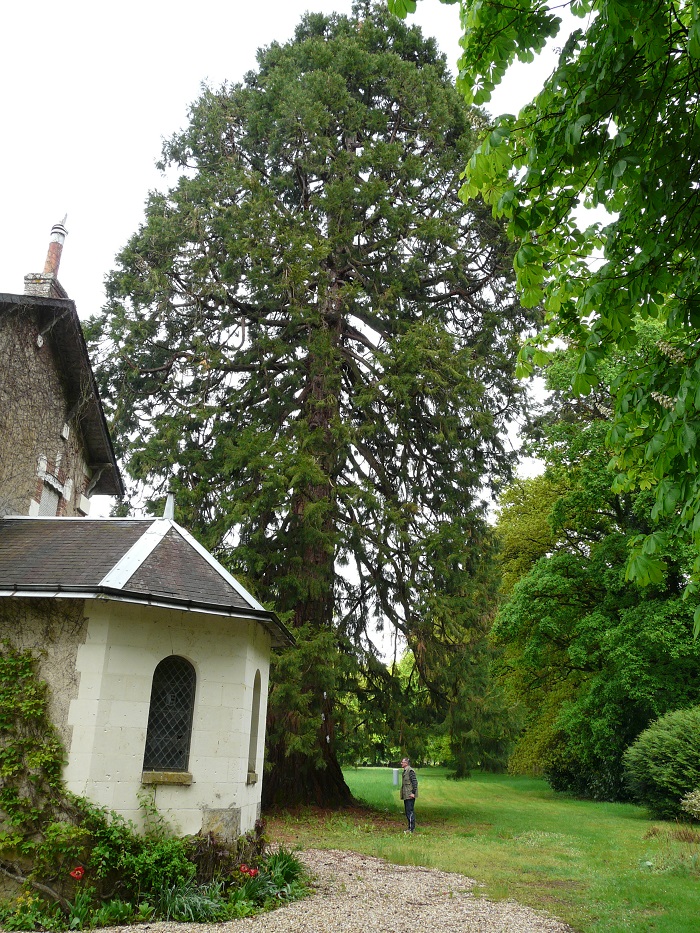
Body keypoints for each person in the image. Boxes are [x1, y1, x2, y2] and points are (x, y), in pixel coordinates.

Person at [400, 756, 418, 833]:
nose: (401, 763)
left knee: (410, 812)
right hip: (406, 795)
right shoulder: (405, 771)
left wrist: (413, 793)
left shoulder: (410, 771)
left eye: (402, 762)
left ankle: (411, 829)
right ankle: (410, 828)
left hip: (410, 795)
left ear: (406, 763)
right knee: (407, 811)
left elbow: (415, 783)